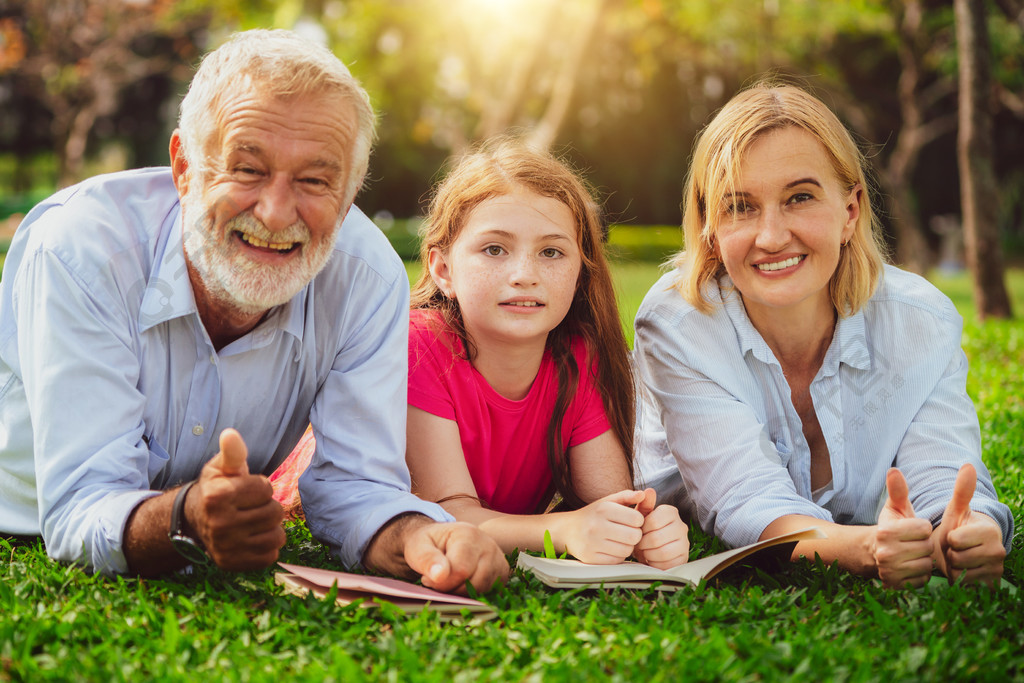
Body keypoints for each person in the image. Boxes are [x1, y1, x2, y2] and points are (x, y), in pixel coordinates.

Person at [0, 29, 508, 593]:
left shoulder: (366, 276)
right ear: (184, 167)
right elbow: (81, 507)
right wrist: (184, 521)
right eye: (247, 169)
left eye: (315, 180)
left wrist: (417, 535)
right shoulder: (84, 249)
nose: (274, 212)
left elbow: (356, 484)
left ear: (350, 192)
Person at [634, 82, 1012, 587]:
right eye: (740, 207)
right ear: (709, 225)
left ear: (850, 212)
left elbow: (946, 475)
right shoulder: (680, 324)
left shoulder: (919, 322)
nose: (771, 237)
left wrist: (967, 531)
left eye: (800, 197)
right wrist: (859, 548)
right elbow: (745, 496)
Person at [403, 140, 689, 568]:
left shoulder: (577, 359)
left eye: (551, 252)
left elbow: (610, 502)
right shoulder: (420, 346)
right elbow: (449, 516)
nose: (525, 275)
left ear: (578, 273)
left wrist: (643, 531)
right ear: (443, 270)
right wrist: (566, 530)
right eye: (494, 249)